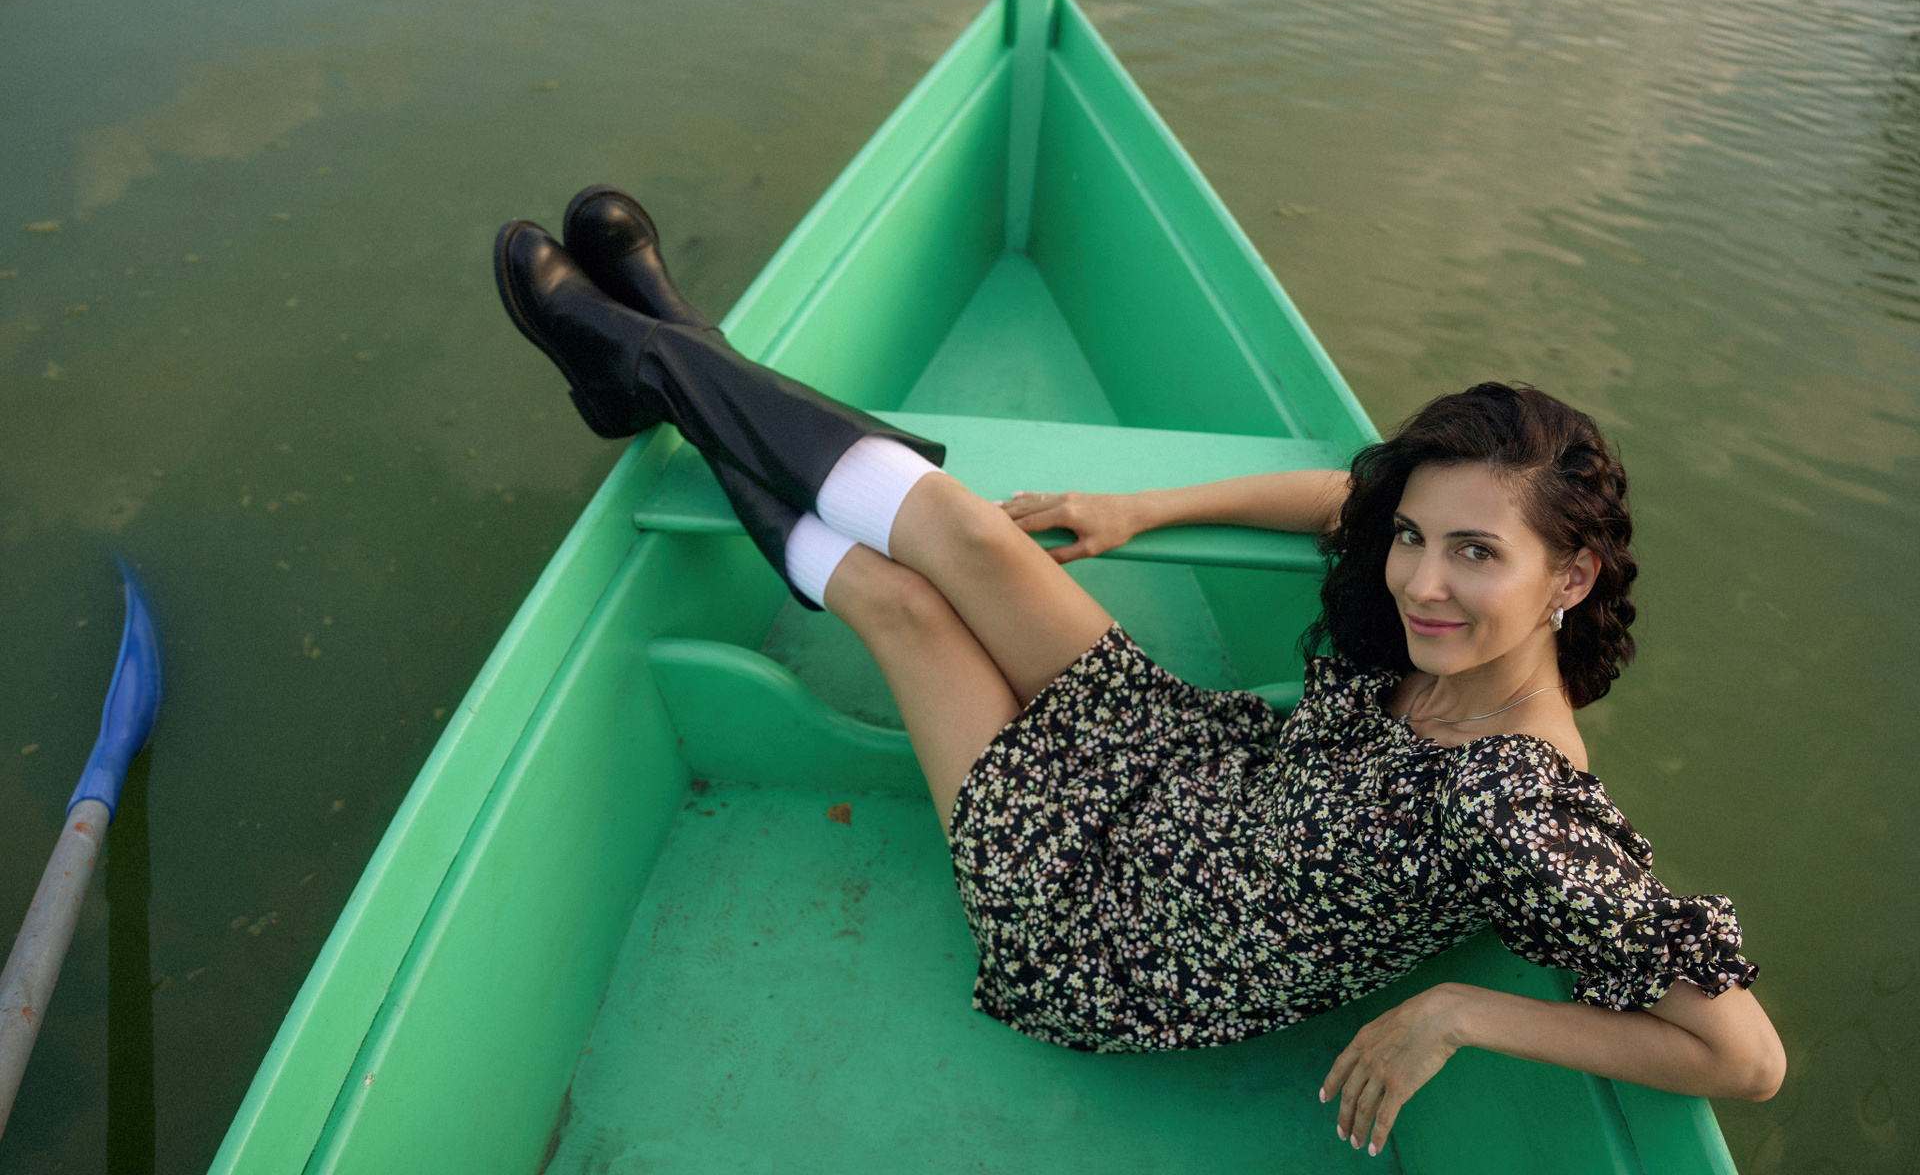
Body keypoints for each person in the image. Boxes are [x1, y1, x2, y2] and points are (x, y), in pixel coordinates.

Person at [495, 185, 1785, 1156]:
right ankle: (669, 351)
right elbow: (1350, 498)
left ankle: (651, 355)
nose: (1421, 583)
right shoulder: (1433, 611)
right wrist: (1149, 508)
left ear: (1573, 576)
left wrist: (1459, 1011)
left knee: (904, 605)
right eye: (1416, 538)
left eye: (1476, 555)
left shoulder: (1527, 807)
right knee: (972, 535)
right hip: (1186, 768)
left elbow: (1744, 1057)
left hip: (1117, 932)